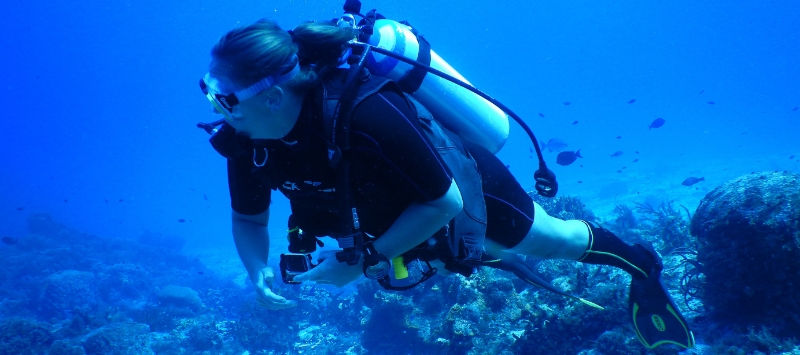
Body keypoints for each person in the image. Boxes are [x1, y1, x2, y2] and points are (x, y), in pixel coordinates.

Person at [198, 18, 695, 349]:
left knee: (548, 241)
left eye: (223, 96)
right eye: (211, 92)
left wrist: (360, 263)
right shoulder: (247, 140)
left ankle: (642, 266)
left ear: (271, 96)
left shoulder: (367, 115)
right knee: (479, 255)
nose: (218, 109)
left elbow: (443, 200)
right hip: (388, 219)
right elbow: (248, 217)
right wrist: (255, 268)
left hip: (461, 185)